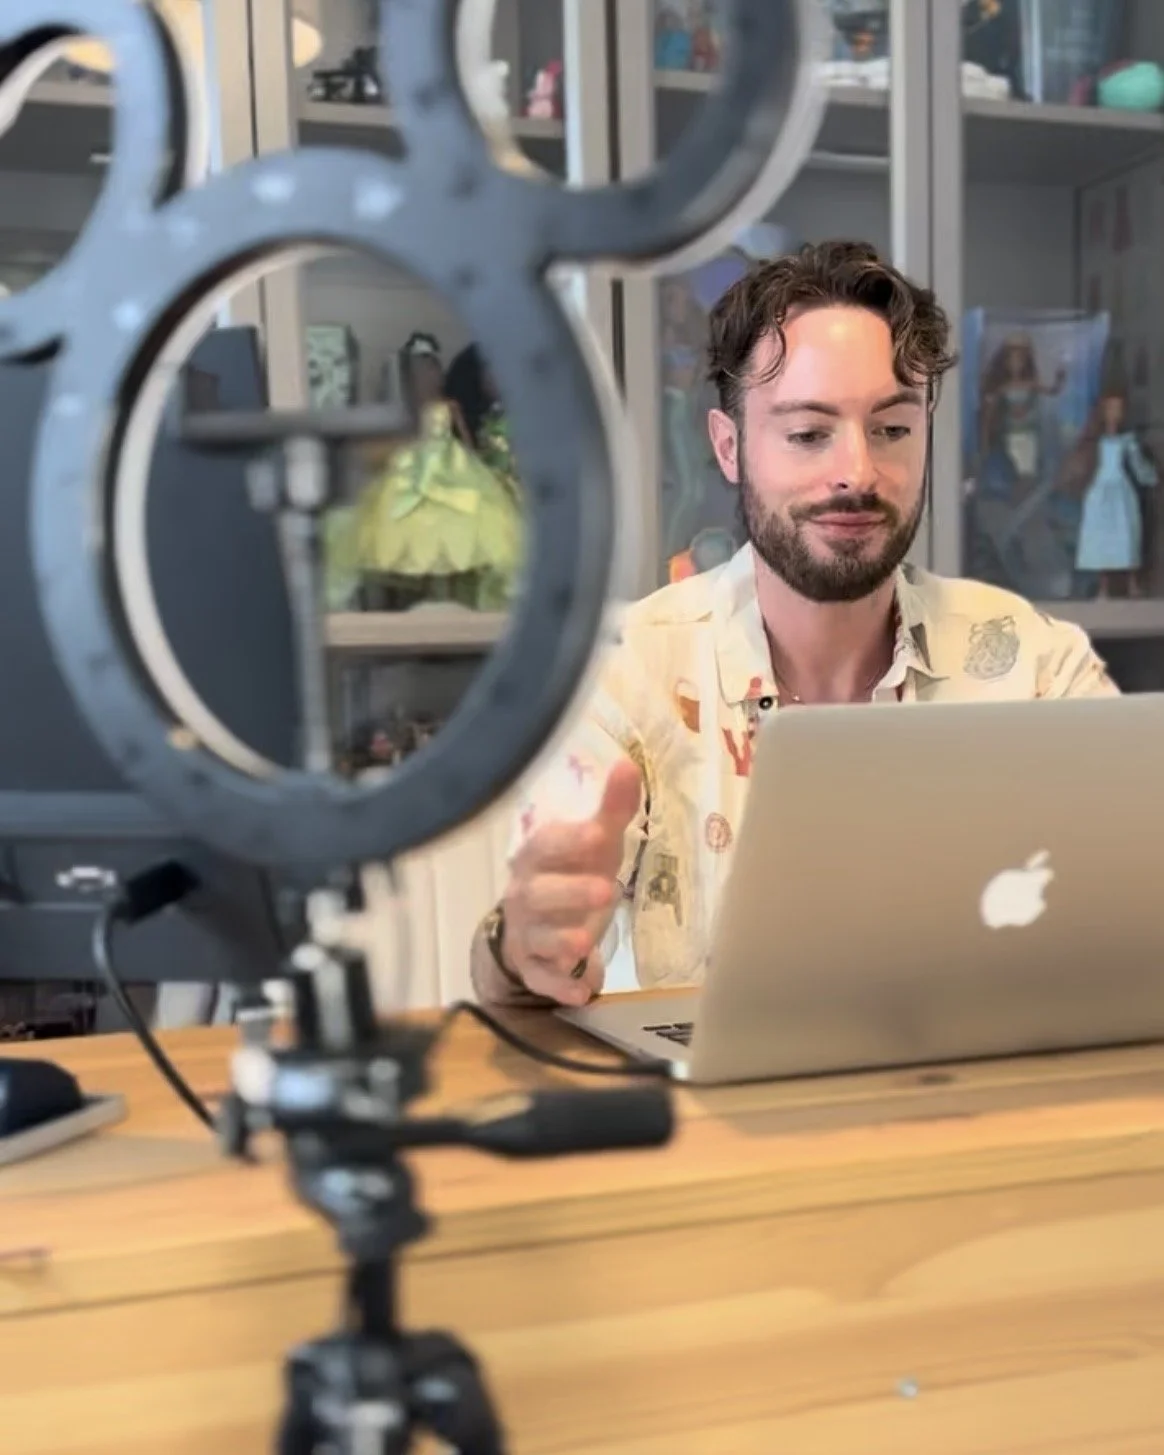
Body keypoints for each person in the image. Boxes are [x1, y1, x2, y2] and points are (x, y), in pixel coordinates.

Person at [469, 241, 1118, 1010]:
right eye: (809, 433)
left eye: (892, 429)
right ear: (729, 446)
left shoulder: (1033, 663)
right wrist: (525, 945)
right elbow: (516, 978)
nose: (857, 472)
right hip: (727, 1120)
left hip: (972, 1105)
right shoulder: (629, 667)